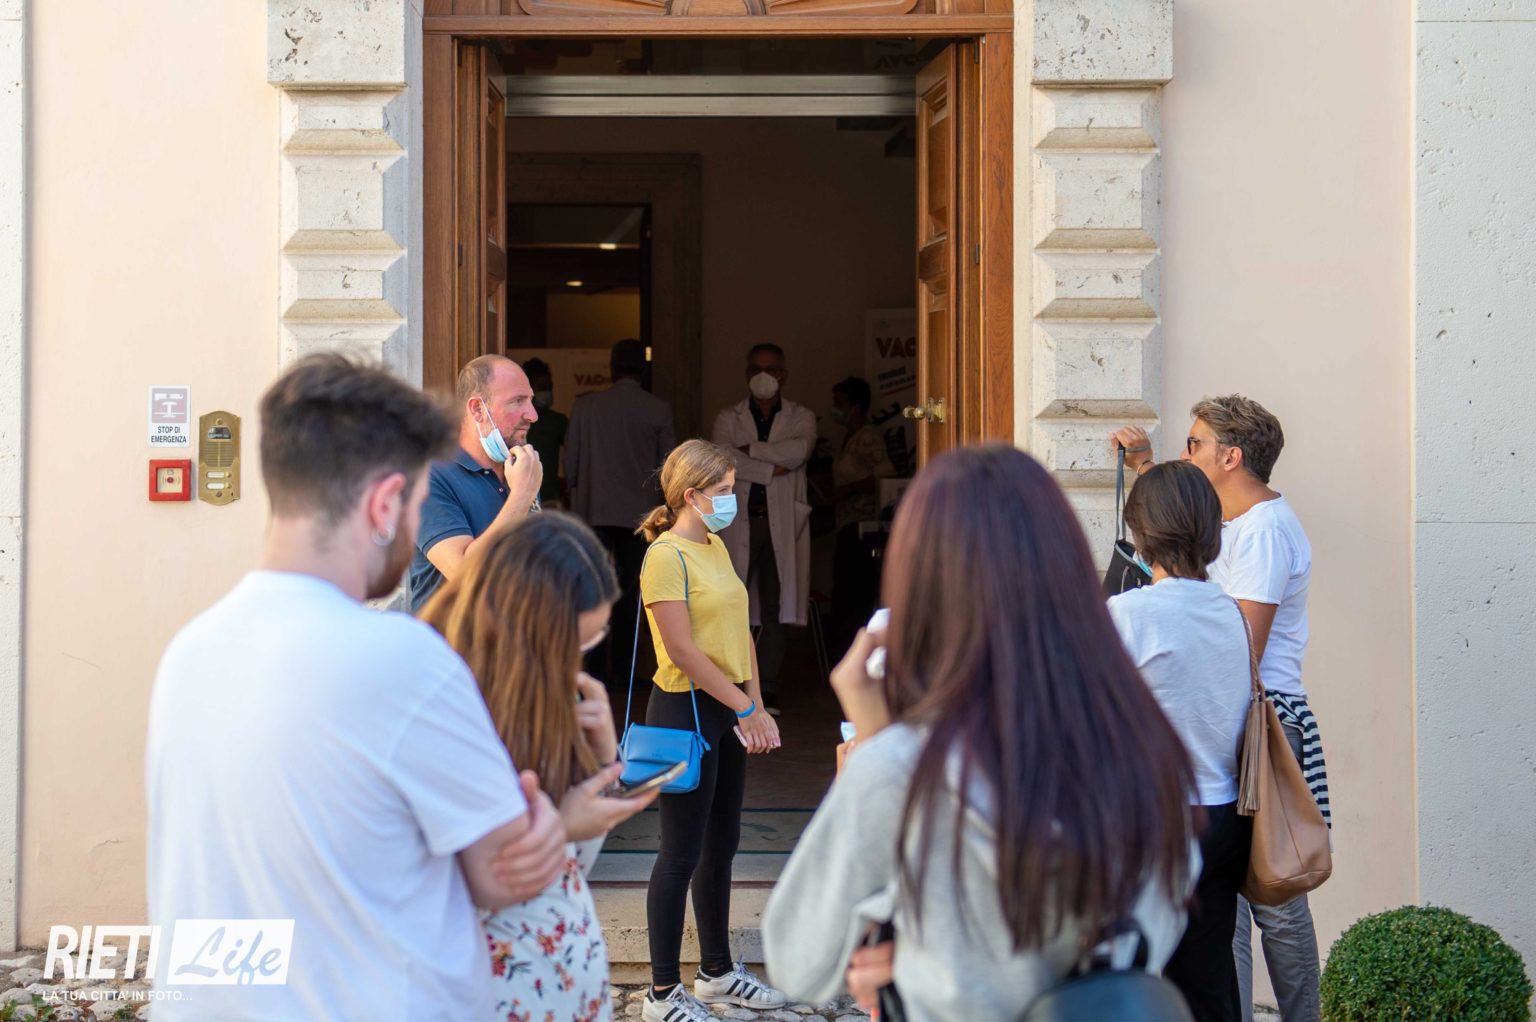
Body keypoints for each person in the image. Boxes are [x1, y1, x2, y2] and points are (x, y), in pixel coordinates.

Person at [146, 354, 573, 1020]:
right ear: (382, 504)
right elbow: (505, 873)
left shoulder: (187, 653)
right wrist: (566, 816)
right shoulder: (407, 659)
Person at [762, 444, 1199, 1021]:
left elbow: (797, 959)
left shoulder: (901, 766)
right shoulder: (1142, 741)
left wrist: (913, 954)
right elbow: (1152, 921)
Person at [1113, 395, 1329, 1022]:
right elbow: (1181, 526)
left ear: (1230, 457)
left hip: (1261, 720)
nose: (1187, 454)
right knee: (1224, 912)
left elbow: (1242, 649)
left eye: (1195, 444)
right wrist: (1148, 467)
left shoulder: (1262, 531)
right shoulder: (1236, 527)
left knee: (1275, 895)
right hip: (1229, 731)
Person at [419, 514, 657, 1022]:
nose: (575, 662)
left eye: (590, 643)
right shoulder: (443, 710)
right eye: (571, 643)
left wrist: (601, 761)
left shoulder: (542, 700)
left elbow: (571, 868)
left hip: (562, 986)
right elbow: (445, 889)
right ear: (524, 626)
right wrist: (565, 823)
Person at [636, 439, 787, 1022]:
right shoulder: (664, 556)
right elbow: (681, 649)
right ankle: (660, 994)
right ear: (692, 495)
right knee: (679, 853)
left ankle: (716, 973)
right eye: (723, 490)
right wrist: (745, 708)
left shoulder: (716, 546)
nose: (732, 499)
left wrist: (754, 701)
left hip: (725, 708)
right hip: (684, 711)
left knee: (720, 846)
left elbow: (739, 629)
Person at [1108, 461, 1254, 1021]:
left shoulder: (1130, 613)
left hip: (1154, 821)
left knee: (1128, 983)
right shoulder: (1230, 611)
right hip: (1224, 815)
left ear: (1142, 532)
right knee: (1208, 984)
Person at [710, 344, 816, 714]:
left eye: (771, 368)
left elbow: (799, 451)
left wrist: (750, 450)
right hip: (741, 520)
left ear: (783, 374)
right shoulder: (728, 417)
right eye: (756, 368)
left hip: (781, 524)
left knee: (774, 606)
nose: (764, 375)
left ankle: (767, 687)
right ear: (746, 374)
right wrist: (772, 468)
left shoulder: (801, 416)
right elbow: (722, 457)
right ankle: (730, 685)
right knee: (729, 602)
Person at [565, 338, 677, 683]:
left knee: (595, 588)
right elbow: (670, 467)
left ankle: (594, 669)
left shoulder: (586, 406)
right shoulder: (658, 408)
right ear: (643, 370)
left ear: (612, 368)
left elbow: (571, 463)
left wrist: (575, 493)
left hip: (593, 510)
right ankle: (626, 671)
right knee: (632, 593)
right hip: (640, 515)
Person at [409, 354, 543, 609]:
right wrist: (521, 496)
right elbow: (464, 573)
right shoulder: (429, 476)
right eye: (517, 401)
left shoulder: (518, 469)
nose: (533, 414)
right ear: (477, 409)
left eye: (530, 400)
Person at [828, 376, 895, 646]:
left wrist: (851, 489)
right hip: (845, 522)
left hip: (862, 526)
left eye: (839, 403)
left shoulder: (868, 436)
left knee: (854, 593)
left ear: (855, 407)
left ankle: (859, 651)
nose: (835, 409)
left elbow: (885, 475)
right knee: (844, 592)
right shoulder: (847, 437)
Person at [523, 357, 569, 509]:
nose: (547, 392)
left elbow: (574, 455)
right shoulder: (518, 421)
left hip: (550, 498)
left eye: (550, 387)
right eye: (542, 387)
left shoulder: (558, 421)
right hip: (522, 498)